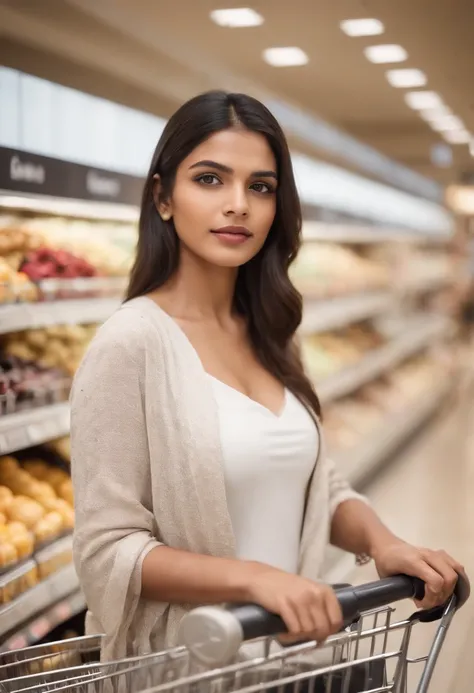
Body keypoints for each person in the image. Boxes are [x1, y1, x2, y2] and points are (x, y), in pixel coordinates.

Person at [71, 90, 467, 663]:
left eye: (260, 186)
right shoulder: (131, 343)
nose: (239, 205)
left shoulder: (270, 331)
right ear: (162, 197)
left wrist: (386, 543)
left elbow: (314, 485)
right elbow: (108, 551)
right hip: (188, 667)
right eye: (210, 180)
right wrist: (252, 579)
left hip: (288, 662)